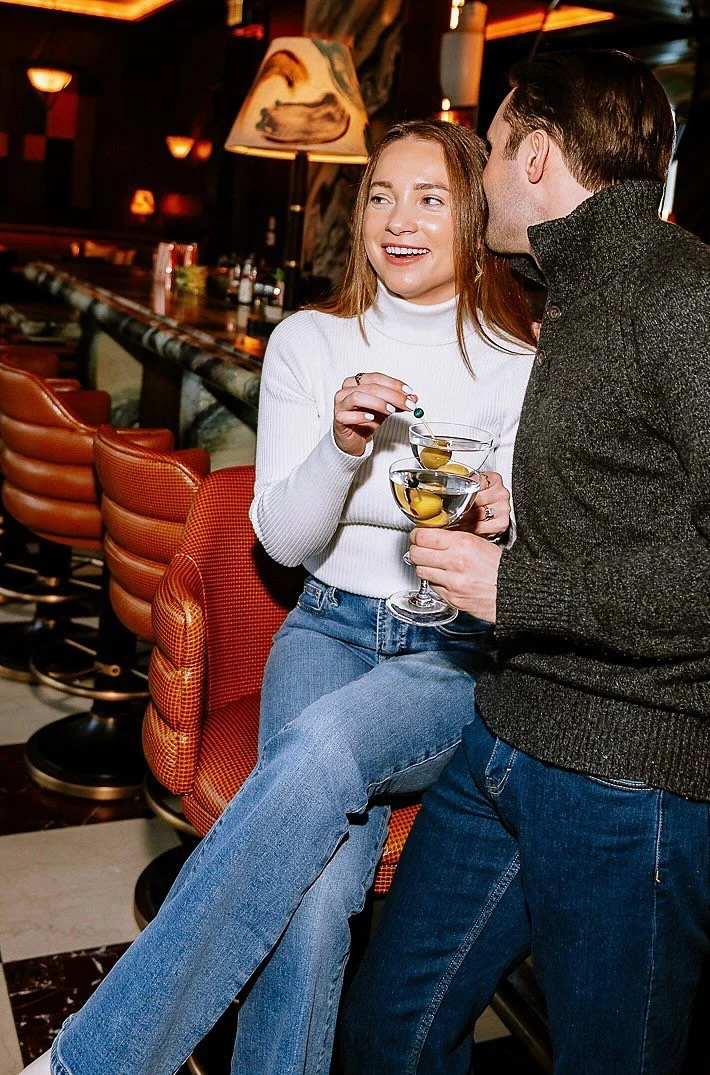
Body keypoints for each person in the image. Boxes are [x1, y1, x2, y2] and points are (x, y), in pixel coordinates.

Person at [341, 51, 710, 1074]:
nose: (479, 170)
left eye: (488, 148)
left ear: (534, 152)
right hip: (511, 732)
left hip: (637, 781)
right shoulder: (576, 291)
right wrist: (523, 514)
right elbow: (642, 494)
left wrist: (521, 585)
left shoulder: (695, 307)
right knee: (385, 1037)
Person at [23, 119, 535, 1075]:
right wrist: (341, 447)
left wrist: (505, 517)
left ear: (474, 215)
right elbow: (285, 544)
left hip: (449, 655)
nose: (400, 218)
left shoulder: (520, 362)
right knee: (315, 893)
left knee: (325, 745)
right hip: (327, 628)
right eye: (381, 193)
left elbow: (523, 557)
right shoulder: (310, 340)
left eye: (431, 197)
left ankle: (89, 1060)